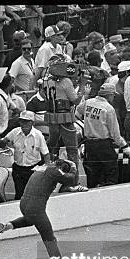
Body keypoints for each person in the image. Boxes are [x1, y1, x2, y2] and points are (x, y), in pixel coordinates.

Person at [0, 158, 77, 259]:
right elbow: (71, 179)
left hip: (24, 204)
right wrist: (73, 167)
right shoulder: (54, 171)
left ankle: (7, 226)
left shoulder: (42, 168)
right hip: (36, 207)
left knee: (31, 219)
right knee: (50, 239)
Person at [43, 56, 87, 192]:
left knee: (53, 148)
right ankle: (73, 182)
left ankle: (50, 181)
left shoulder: (47, 81)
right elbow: (75, 100)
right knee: (72, 151)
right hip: (65, 118)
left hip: (52, 117)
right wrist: (83, 87)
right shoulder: (66, 81)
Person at [75, 83, 130, 188]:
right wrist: (125, 146)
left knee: (92, 173)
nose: (113, 97)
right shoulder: (108, 109)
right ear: (109, 95)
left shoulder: (88, 102)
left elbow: (77, 112)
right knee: (111, 172)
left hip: (89, 145)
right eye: (113, 95)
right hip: (103, 145)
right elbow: (115, 134)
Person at [0, 110, 51, 199]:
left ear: (32, 123)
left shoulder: (38, 135)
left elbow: (46, 153)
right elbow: (4, 142)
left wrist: (46, 169)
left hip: (33, 169)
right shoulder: (15, 132)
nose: (23, 124)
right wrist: (3, 142)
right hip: (18, 169)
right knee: (19, 195)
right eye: (22, 121)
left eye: (27, 122)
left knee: (33, 195)